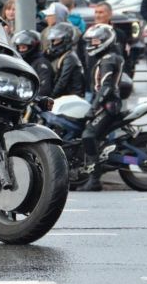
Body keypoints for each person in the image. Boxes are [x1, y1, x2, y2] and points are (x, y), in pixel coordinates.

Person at [78, 24, 124, 192]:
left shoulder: (108, 59)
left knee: (88, 135)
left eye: (96, 41)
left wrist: (94, 108)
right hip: (107, 103)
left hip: (108, 105)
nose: (92, 44)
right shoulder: (108, 57)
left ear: (106, 40)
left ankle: (95, 179)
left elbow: (106, 87)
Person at [46, 22, 85, 98]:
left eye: (57, 40)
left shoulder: (70, 57)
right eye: (52, 40)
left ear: (66, 39)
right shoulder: (64, 55)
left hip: (72, 98)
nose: (53, 43)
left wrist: (51, 96)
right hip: (65, 97)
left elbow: (62, 81)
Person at [12, 30, 54, 97]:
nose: (21, 50)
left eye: (24, 47)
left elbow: (44, 89)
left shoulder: (42, 64)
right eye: (19, 48)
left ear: (33, 47)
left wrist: (32, 100)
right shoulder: (23, 63)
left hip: (35, 101)